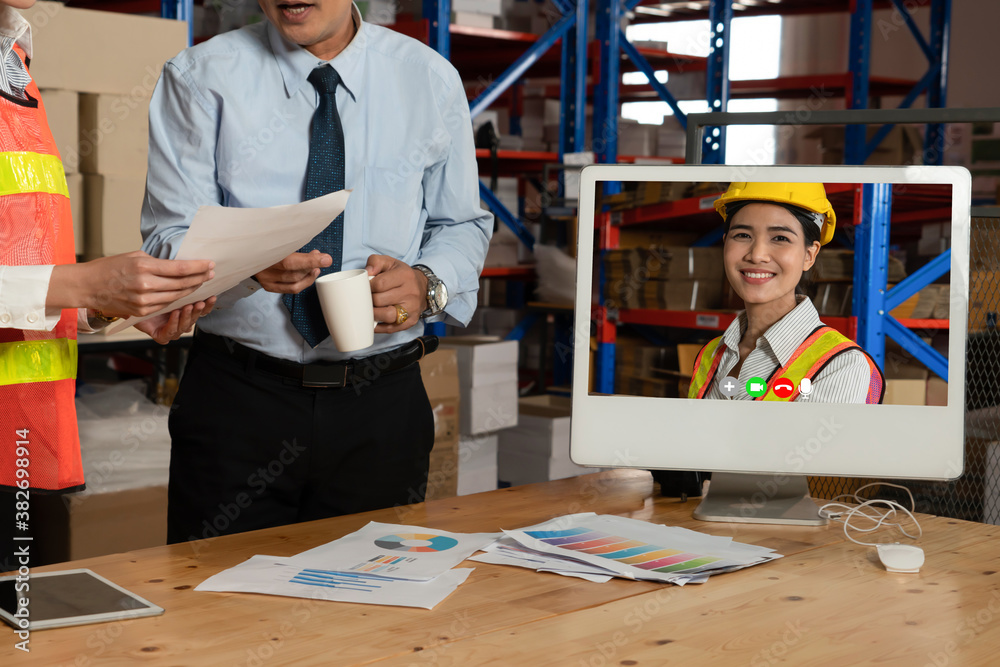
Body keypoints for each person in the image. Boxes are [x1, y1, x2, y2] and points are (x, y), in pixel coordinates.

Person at [141, 0, 492, 544]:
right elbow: (168, 242)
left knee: (368, 613)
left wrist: (428, 283)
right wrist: (249, 265)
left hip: (381, 405)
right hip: (238, 404)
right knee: (215, 610)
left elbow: (462, 222)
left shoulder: (427, 79)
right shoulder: (199, 77)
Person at [688, 182, 884, 404]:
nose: (757, 255)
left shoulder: (838, 365)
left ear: (809, 255)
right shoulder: (712, 354)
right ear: (725, 245)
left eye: (780, 238)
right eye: (742, 235)